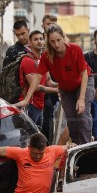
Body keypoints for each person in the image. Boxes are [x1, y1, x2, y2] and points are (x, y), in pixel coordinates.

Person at [39, 24, 94, 145]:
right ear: (49, 42)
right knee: (71, 119)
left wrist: (81, 98)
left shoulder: (75, 49)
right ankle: (76, 146)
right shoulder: (47, 56)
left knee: (82, 114)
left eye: (58, 40)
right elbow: (37, 78)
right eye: (52, 41)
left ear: (64, 37)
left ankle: (86, 145)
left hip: (83, 81)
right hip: (66, 88)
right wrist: (27, 98)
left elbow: (84, 73)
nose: (56, 44)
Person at [16, 30, 57, 128]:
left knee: (36, 137)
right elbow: (35, 87)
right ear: (30, 43)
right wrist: (57, 90)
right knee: (28, 136)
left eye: (41, 39)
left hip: (39, 105)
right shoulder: (28, 60)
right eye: (35, 39)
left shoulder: (43, 60)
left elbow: (50, 82)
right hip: (30, 104)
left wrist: (64, 84)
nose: (39, 41)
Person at [41, 14, 60, 143]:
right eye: (48, 24)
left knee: (55, 123)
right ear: (43, 25)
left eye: (53, 24)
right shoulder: (38, 40)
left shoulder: (59, 42)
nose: (50, 27)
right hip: (42, 88)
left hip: (56, 87)